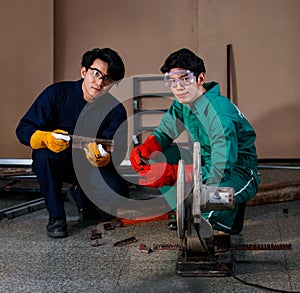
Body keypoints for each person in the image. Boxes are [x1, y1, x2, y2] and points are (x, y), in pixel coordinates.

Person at [130, 48, 259, 234]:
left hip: (237, 172)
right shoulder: (184, 103)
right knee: (160, 157)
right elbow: (165, 133)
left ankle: (227, 221)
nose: (178, 87)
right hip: (206, 162)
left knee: (204, 212)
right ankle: (193, 214)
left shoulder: (219, 114)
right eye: (172, 81)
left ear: (200, 79)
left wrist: (175, 174)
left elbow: (221, 168)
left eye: (185, 79)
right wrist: (147, 148)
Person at [16, 48, 128, 238]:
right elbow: (23, 129)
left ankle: (83, 196)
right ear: (84, 71)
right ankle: (57, 218)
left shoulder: (116, 109)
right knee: (43, 156)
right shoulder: (57, 93)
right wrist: (44, 138)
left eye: (107, 79)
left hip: (91, 167)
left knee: (118, 201)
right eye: (96, 73)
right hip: (59, 161)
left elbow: (117, 149)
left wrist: (103, 158)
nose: (100, 82)